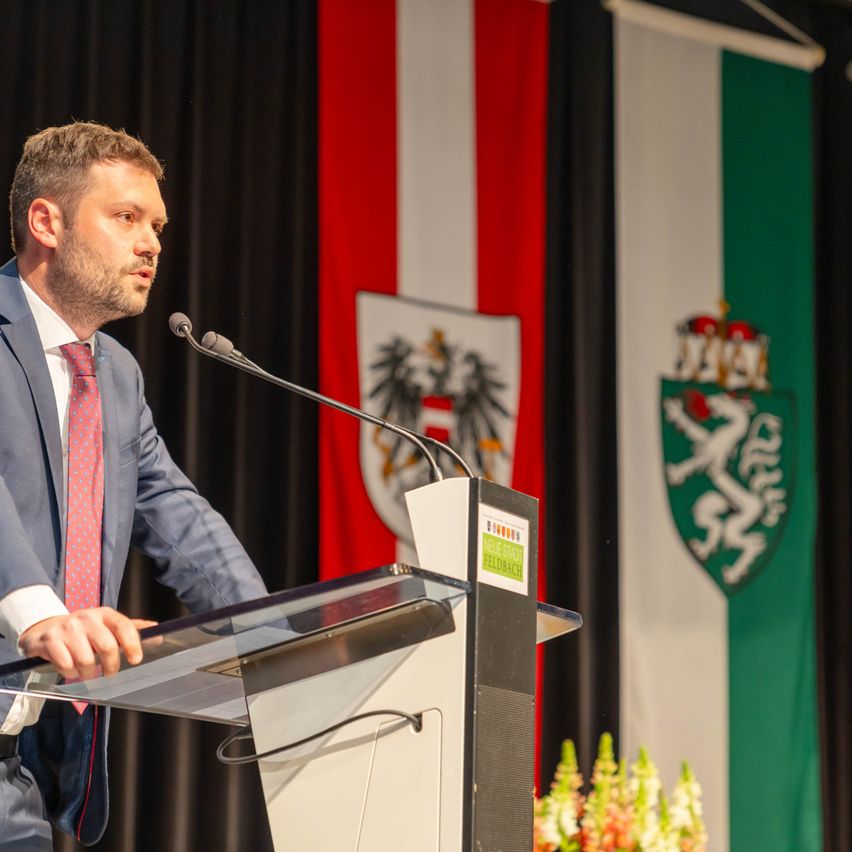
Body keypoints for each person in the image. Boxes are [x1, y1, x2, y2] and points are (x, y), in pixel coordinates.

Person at [0, 122, 268, 849]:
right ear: (46, 222)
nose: (151, 243)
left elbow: (176, 512)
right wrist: (39, 613)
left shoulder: (114, 373)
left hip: (15, 764)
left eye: (157, 226)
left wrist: (271, 637)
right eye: (126, 217)